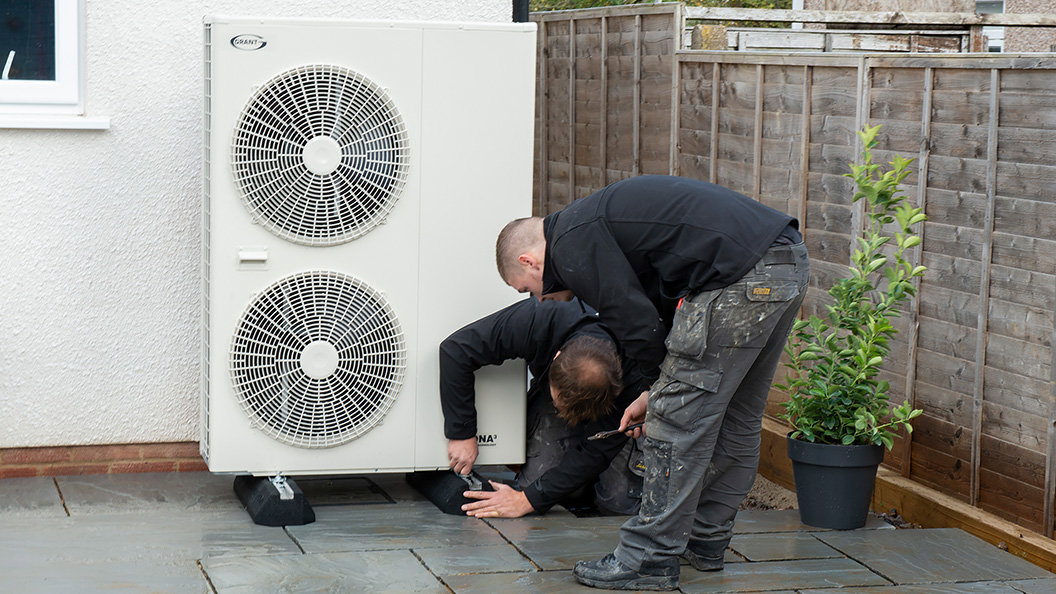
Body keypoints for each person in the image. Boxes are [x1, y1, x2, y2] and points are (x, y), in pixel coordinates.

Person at [496, 175, 810, 590]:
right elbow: (655, 302)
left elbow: (636, 324)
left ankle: (648, 558)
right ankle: (705, 542)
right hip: (784, 263)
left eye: (526, 290)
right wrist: (653, 388)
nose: (536, 299)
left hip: (739, 280)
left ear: (529, 262)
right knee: (737, 420)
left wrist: (659, 394)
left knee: (674, 424)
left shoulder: (570, 247)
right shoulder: (590, 222)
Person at [439, 297, 650, 519]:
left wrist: (526, 502)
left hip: (613, 411)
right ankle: (578, 485)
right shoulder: (539, 319)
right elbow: (455, 351)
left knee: (618, 505)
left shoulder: (630, 372)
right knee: (533, 484)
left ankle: (587, 483)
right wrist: (462, 432)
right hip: (565, 385)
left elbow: (596, 453)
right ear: (556, 357)